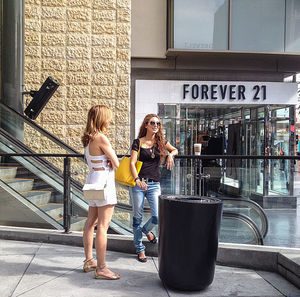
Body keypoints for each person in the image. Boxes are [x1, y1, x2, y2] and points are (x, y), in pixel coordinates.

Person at [129, 114, 178, 262]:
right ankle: (140, 249)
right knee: (137, 217)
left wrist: (171, 156)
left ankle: (146, 231)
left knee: (157, 217)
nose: (155, 125)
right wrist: (137, 180)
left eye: (158, 123)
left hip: (154, 184)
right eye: (152, 123)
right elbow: (132, 163)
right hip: (138, 184)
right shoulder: (137, 142)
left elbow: (175, 149)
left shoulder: (161, 142)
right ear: (146, 125)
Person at [81, 105, 120, 280]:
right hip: (104, 184)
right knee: (103, 226)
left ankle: (89, 261)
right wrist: (113, 162)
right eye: (108, 118)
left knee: (91, 223)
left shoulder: (88, 139)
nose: (110, 121)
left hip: (92, 182)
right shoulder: (102, 138)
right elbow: (117, 163)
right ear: (102, 119)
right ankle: (102, 268)